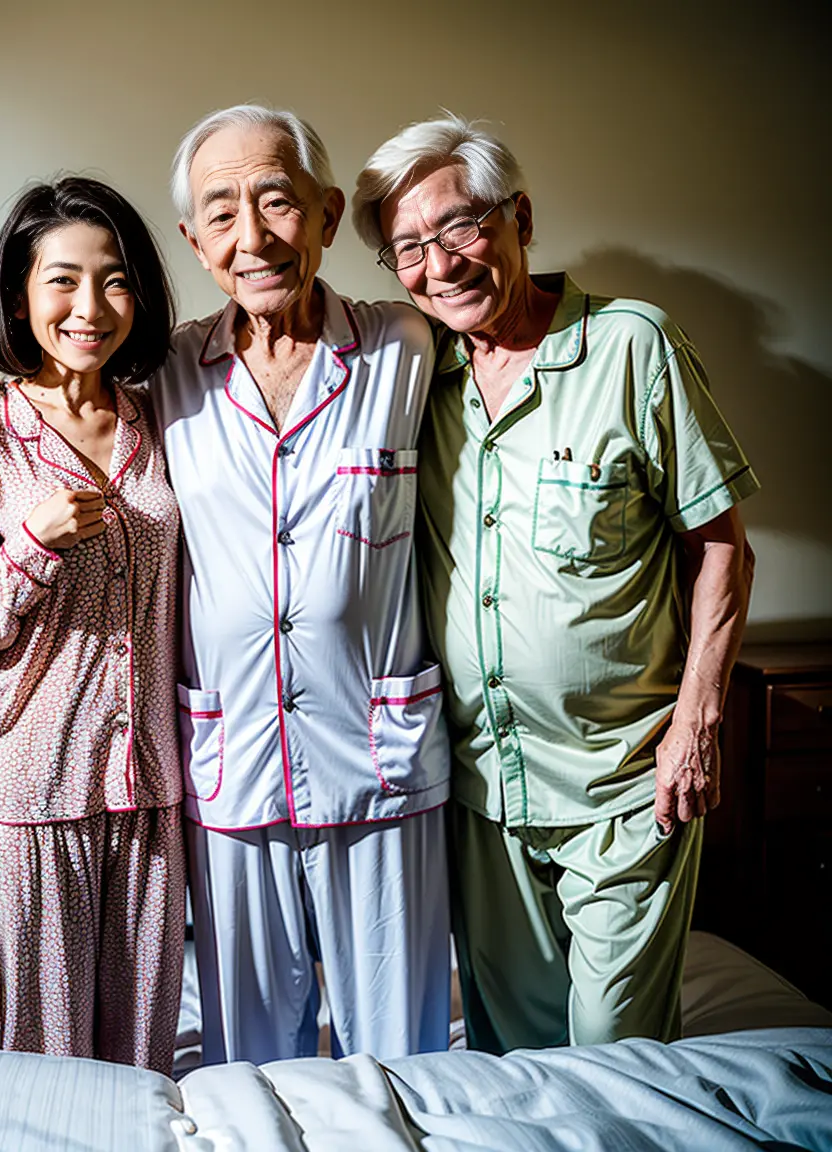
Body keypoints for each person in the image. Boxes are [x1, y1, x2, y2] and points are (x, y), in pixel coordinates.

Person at [353, 113, 757, 1053]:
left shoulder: (631, 346)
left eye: (459, 227)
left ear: (518, 216)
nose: (440, 264)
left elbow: (724, 546)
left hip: (623, 785)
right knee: (517, 1070)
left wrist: (697, 722)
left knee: (615, 1058)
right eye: (408, 248)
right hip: (482, 793)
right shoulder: (417, 375)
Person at [153, 104, 453, 1065]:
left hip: (379, 753)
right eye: (223, 213)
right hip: (232, 754)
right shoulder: (164, 375)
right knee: (250, 1062)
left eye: (277, 201)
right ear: (195, 242)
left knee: (402, 1057)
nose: (255, 237)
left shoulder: (406, 347)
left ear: (325, 214)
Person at [0, 177, 185, 1070]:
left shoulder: (158, 418)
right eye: (63, 281)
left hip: (149, 780)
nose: (91, 307)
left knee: (143, 1050)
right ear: (19, 296)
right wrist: (30, 547)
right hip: (33, 789)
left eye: (115, 281)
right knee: (50, 1056)